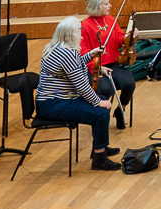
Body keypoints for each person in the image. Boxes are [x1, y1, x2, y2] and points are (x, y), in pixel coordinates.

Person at [34, 17, 122, 170]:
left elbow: (74, 67)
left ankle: (99, 147)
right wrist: (97, 102)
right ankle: (99, 158)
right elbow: (81, 83)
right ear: (72, 34)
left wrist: (90, 55)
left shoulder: (56, 48)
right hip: (54, 103)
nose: (82, 33)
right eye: (79, 30)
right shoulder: (67, 54)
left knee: (101, 100)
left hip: (52, 100)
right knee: (100, 112)